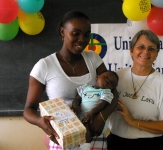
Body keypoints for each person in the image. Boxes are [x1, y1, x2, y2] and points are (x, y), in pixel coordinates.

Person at [23, 10, 118, 150]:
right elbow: (28, 110)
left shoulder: (93, 59)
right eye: (76, 33)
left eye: (86, 35)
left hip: (93, 136)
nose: (82, 39)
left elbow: (113, 91)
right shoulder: (44, 66)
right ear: (63, 32)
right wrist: (40, 121)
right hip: (63, 137)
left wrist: (101, 117)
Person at [107, 30, 163, 150]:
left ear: (156, 54)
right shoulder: (117, 77)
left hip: (150, 145)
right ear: (131, 50)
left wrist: (133, 121)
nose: (146, 52)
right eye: (141, 47)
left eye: (151, 49)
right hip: (116, 142)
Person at [72, 71, 119, 150]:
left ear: (112, 88)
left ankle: (85, 147)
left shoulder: (106, 92)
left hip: (94, 119)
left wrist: (91, 113)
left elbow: (102, 104)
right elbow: (77, 99)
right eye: (106, 76)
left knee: (85, 126)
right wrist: (75, 107)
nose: (108, 80)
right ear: (97, 76)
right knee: (79, 128)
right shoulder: (85, 87)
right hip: (82, 116)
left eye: (112, 83)